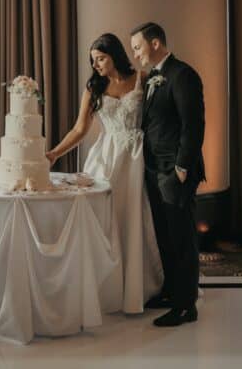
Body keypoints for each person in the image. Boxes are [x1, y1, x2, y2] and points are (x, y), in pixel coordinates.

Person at [46, 33, 163, 314]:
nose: (96, 64)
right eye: (93, 60)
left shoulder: (142, 79)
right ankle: (103, 289)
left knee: (135, 219)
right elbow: (79, 129)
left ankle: (139, 288)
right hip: (106, 159)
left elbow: (158, 119)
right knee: (105, 222)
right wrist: (53, 154)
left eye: (100, 58)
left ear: (115, 55)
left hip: (136, 158)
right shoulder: (93, 87)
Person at [130, 22, 205, 327]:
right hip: (153, 170)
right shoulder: (152, 78)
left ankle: (187, 306)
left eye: (137, 47)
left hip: (174, 173)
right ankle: (172, 292)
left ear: (156, 42)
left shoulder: (182, 74)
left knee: (182, 238)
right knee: (164, 237)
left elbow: (193, 125)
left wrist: (182, 169)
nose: (135, 54)